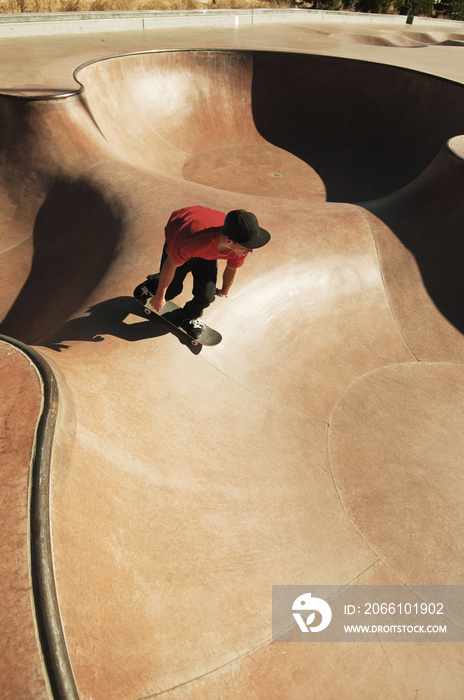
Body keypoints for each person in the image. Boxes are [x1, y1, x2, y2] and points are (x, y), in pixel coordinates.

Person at [144, 205, 271, 339]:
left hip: (207, 248)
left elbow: (232, 267)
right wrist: (159, 295)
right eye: (248, 246)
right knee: (170, 291)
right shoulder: (191, 241)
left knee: (206, 297)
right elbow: (171, 264)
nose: (251, 251)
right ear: (229, 241)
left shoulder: (240, 245)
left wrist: (224, 290)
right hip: (181, 228)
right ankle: (154, 283)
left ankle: (190, 316)